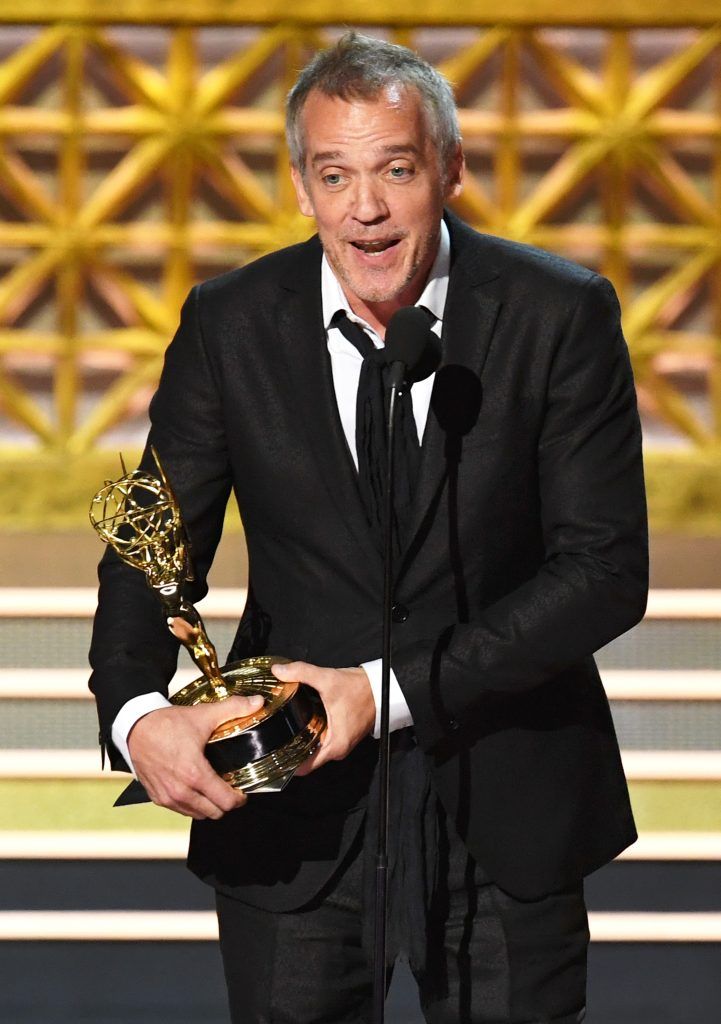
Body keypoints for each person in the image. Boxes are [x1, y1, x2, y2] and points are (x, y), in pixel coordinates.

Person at [89, 31, 648, 1024]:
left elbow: (604, 568)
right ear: (301, 188)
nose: (367, 207)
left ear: (451, 172)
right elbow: (153, 538)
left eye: (396, 169)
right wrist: (136, 715)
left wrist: (382, 694)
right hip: (290, 819)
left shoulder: (556, 314)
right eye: (334, 173)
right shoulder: (230, 322)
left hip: (506, 801)